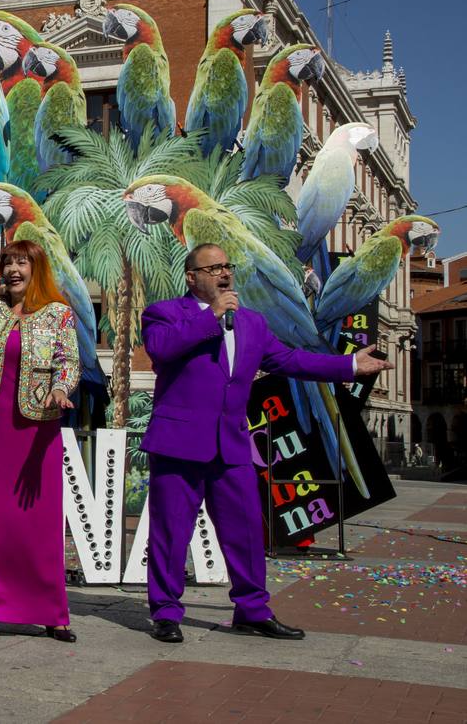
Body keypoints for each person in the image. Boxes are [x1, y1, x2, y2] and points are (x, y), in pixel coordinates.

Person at [141, 243, 392, 644]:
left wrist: (348, 365)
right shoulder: (166, 313)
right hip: (178, 444)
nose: (225, 273)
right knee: (171, 534)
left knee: (246, 532)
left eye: (228, 266)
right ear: (192, 277)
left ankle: (252, 610)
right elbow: (161, 349)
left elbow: (291, 361)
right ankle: (166, 613)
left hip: (231, 446)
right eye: (214, 268)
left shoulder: (253, 324)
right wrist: (213, 315)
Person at [0, 239, 82, 643]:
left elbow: (69, 361)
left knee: (39, 523)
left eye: (21, 261)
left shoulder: (58, 314)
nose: (12, 269)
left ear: (35, 268)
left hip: (38, 428)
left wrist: (61, 389)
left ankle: (50, 611)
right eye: (7, 262)